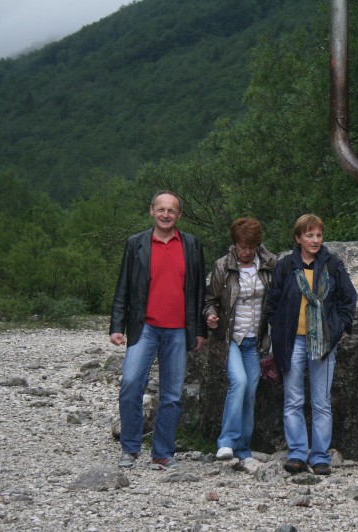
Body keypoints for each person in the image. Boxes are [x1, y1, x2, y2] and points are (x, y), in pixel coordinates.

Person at [109, 190, 206, 470]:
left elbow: (199, 291)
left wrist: (199, 330)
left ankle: (162, 453)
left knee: (172, 395)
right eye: (161, 209)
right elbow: (123, 287)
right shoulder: (136, 243)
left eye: (171, 210)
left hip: (178, 330)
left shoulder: (192, 245)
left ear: (179, 215)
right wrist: (117, 326)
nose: (165, 215)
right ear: (152, 211)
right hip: (145, 327)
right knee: (130, 383)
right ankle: (130, 448)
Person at [266, 214, 357, 476]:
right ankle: (296, 454)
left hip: (323, 342)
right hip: (292, 341)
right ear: (298, 238)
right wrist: (280, 330)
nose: (315, 240)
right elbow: (273, 304)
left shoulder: (332, 264)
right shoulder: (286, 266)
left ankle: (319, 456)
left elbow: (348, 300)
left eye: (318, 235)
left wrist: (335, 330)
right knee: (293, 399)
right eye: (309, 235)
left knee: (321, 401)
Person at [203, 217, 277, 464]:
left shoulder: (270, 264)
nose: (246, 251)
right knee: (239, 382)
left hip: (255, 340)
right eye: (242, 246)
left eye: (251, 247)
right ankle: (226, 442)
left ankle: (243, 447)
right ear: (235, 243)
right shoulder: (222, 266)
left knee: (250, 390)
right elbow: (211, 300)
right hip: (230, 338)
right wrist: (211, 315)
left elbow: (275, 298)